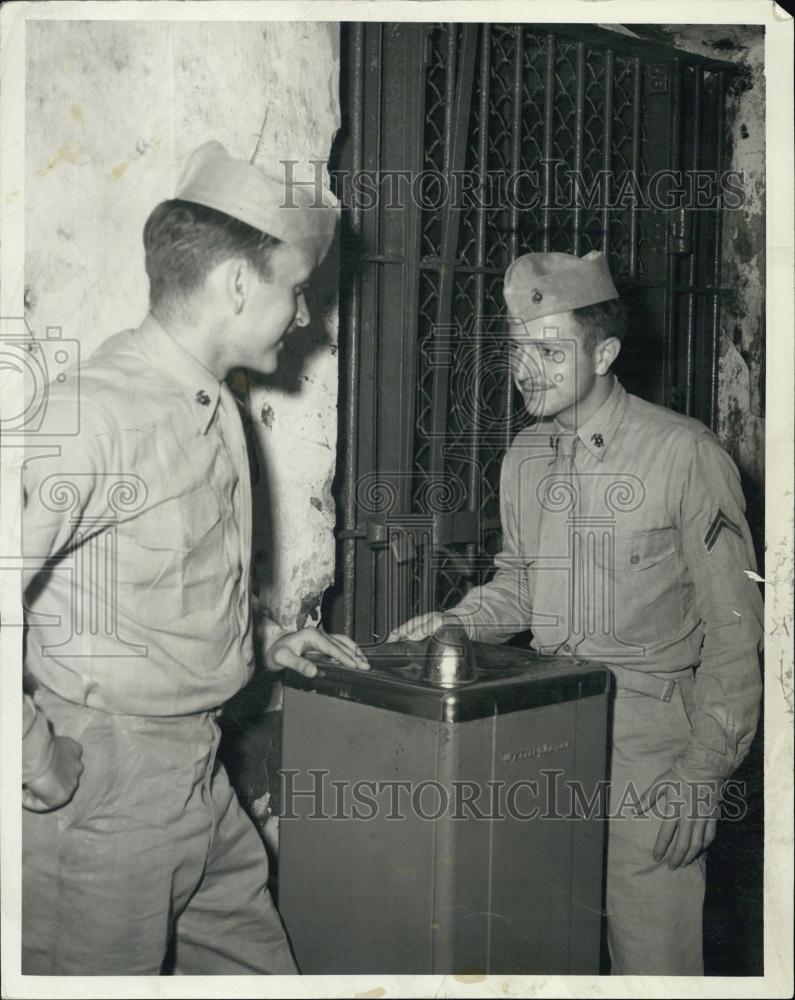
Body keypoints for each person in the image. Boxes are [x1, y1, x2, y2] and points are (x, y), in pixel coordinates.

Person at [21, 140, 368, 975]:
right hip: (107, 794)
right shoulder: (94, 413)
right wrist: (33, 757)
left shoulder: (212, 406)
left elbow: (163, 575)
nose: (305, 318)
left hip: (202, 778)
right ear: (238, 283)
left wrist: (265, 644)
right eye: (296, 292)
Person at [389, 249, 763, 975]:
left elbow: (736, 630)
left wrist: (702, 773)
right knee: (537, 947)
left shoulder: (682, 454)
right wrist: (459, 622)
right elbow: (521, 583)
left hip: (649, 749)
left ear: (605, 351)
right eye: (517, 349)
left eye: (549, 350)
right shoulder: (525, 458)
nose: (526, 368)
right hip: (544, 734)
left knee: (654, 962)